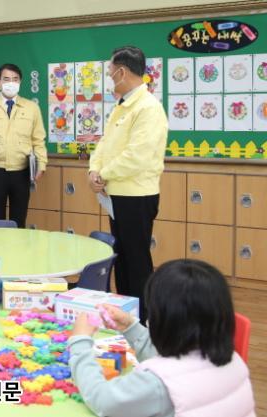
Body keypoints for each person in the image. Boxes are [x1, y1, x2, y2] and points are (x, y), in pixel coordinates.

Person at [69, 259, 256, 417]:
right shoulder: (233, 360)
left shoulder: (157, 384)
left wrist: (80, 341)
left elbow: (102, 400)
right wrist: (130, 327)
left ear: (164, 323)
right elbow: (178, 368)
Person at [87, 46, 168, 322]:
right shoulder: (122, 106)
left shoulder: (148, 108)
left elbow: (137, 156)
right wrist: (94, 170)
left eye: (111, 71)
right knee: (121, 258)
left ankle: (143, 321)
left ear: (122, 72)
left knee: (137, 261)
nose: (109, 76)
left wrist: (103, 174)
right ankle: (125, 315)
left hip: (137, 196)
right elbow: (104, 144)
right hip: (116, 195)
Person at [0, 63, 48, 228]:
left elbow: (38, 140)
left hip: (22, 172)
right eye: (6, 79)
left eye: (15, 79)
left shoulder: (32, 108)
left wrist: (41, 165)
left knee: (19, 221)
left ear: (20, 82)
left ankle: (18, 245)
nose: (11, 83)